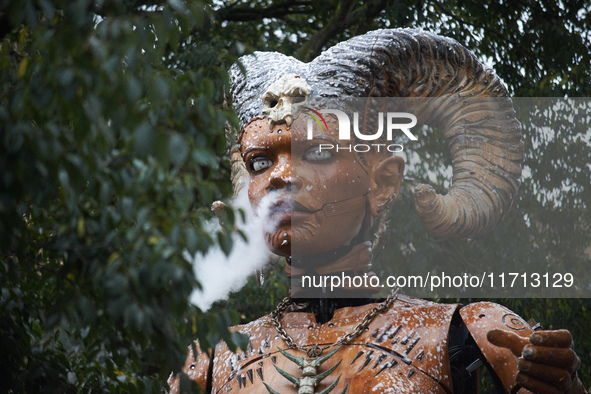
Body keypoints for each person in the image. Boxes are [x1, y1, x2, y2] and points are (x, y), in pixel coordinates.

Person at [169, 29, 585, 393]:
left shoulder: (472, 334)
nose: (281, 176)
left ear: (383, 181)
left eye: (320, 151)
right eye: (260, 162)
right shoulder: (208, 362)